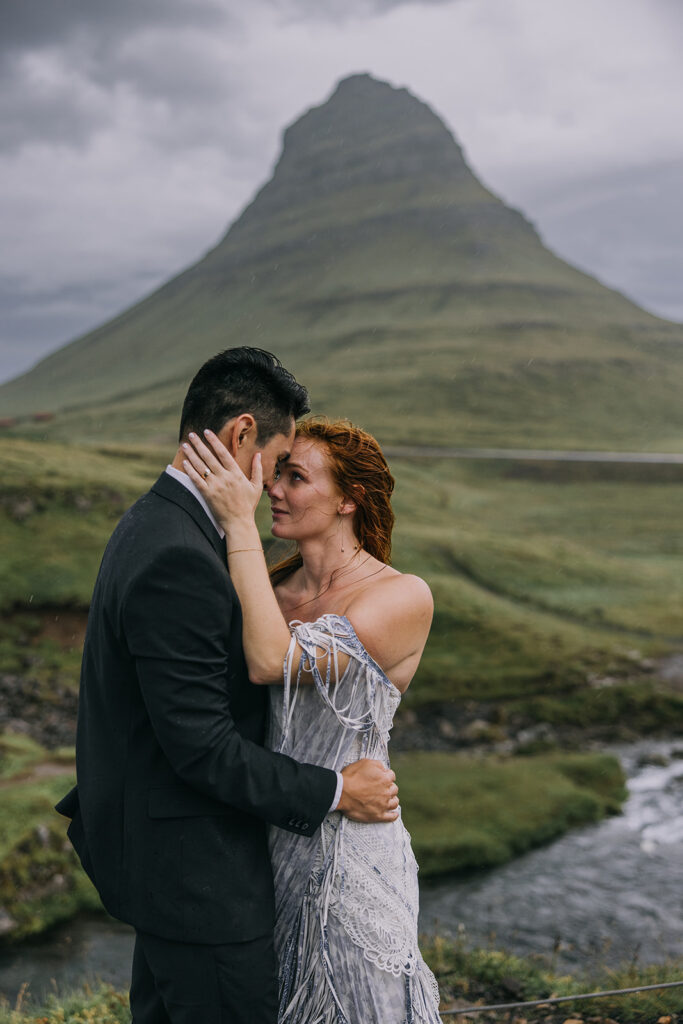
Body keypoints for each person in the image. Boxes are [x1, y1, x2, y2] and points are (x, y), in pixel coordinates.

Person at [55, 348, 399, 1024]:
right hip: (197, 879)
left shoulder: (154, 523)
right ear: (242, 435)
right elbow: (202, 747)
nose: (273, 489)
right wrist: (335, 791)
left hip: (163, 865)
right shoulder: (181, 554)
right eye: (276, 466)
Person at [182, 417, 442, 1023]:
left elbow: (275, 661)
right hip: (259, 846)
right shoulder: (264, 589)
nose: (273, 489)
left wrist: (236, 524)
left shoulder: (402, 595)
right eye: (277, 475)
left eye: (295, 478)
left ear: (348, 498)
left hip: (353, 850)